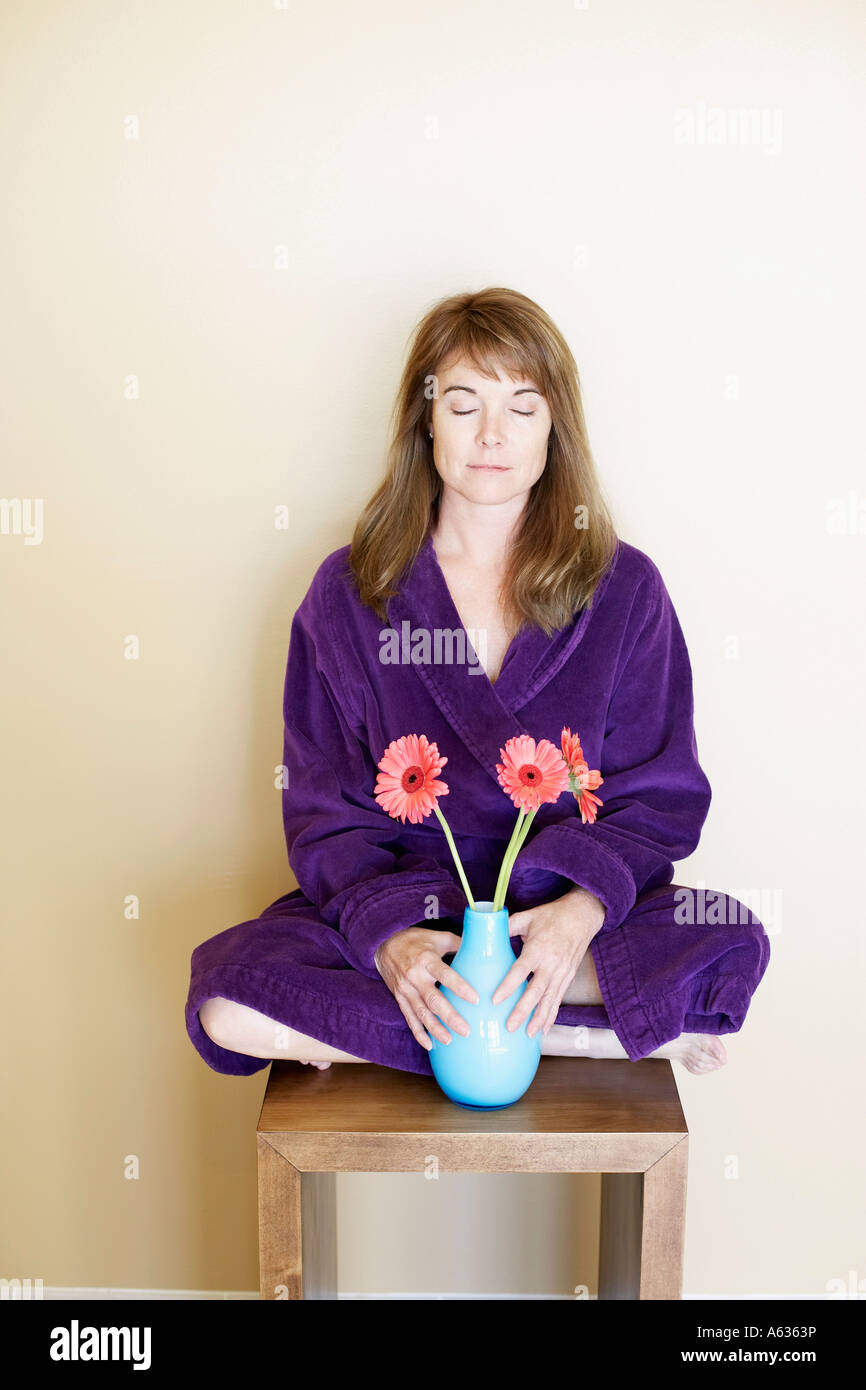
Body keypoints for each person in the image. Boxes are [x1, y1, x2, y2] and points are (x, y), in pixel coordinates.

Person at [186, 287, 770, 1079]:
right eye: (463, 405)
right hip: (420, 913)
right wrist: (389, 936)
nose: (492, 435)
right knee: (230, 999)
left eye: (522, 407)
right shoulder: (350, 592)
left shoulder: (624, 587)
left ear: (554, 425)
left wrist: (577, 913)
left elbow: (661, 797)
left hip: (560, 911)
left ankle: (436, 1027)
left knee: (725, 935)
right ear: (425, 422)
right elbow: (324, 812)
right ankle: (571, 1032)